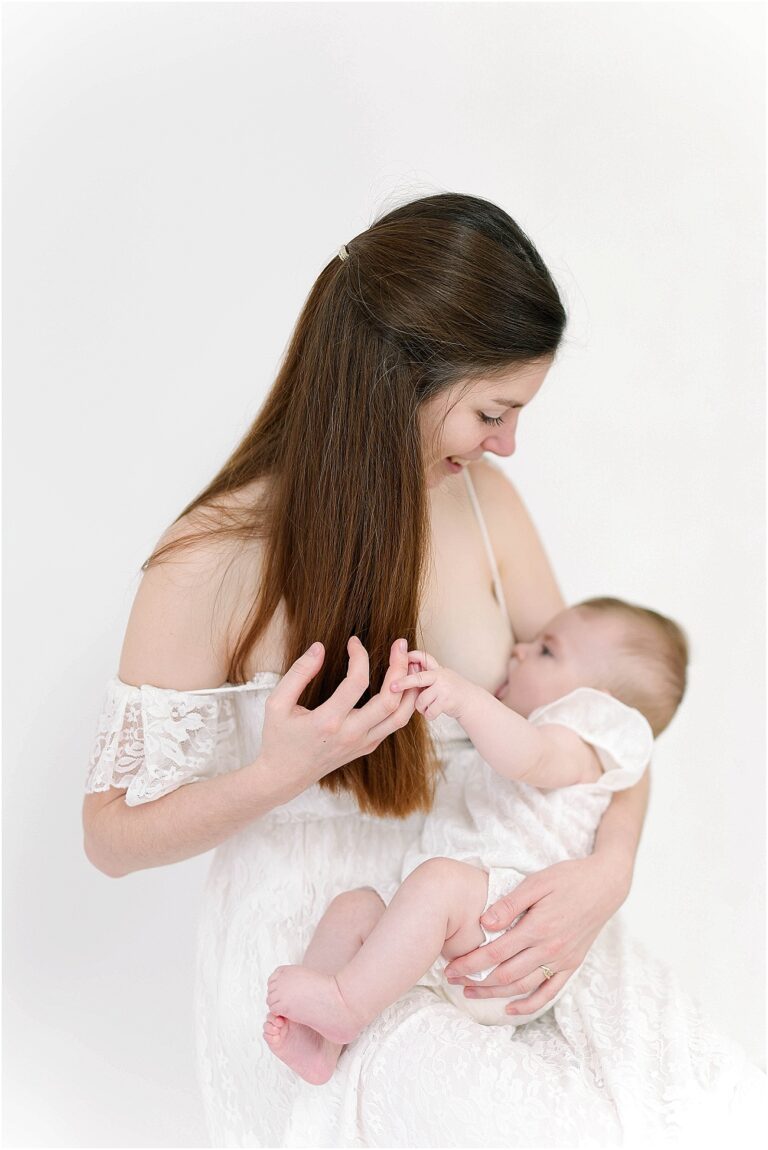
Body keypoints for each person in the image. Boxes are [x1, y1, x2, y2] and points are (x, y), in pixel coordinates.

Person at [82, 193, 762, 1146]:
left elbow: (600, 724)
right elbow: (110, 840)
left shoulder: (487, 506)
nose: (508, 444)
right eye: (493, 410)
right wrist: (277, 773)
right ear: (394, 377)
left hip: (487, 897)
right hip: (329, 943)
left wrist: (610, 870)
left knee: (699, 1098)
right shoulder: (210, 558)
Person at [262, 597, 686, 1085]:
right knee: (355, 906)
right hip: (461, 932)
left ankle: (344, 1004)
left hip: (510, 936)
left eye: (547, 651)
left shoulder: (574, 744)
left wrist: (464, 698)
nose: (520, 651)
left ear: (599, 709)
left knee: (437, 884)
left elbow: (528, 757)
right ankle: (318, 1042)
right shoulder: (535, 736)